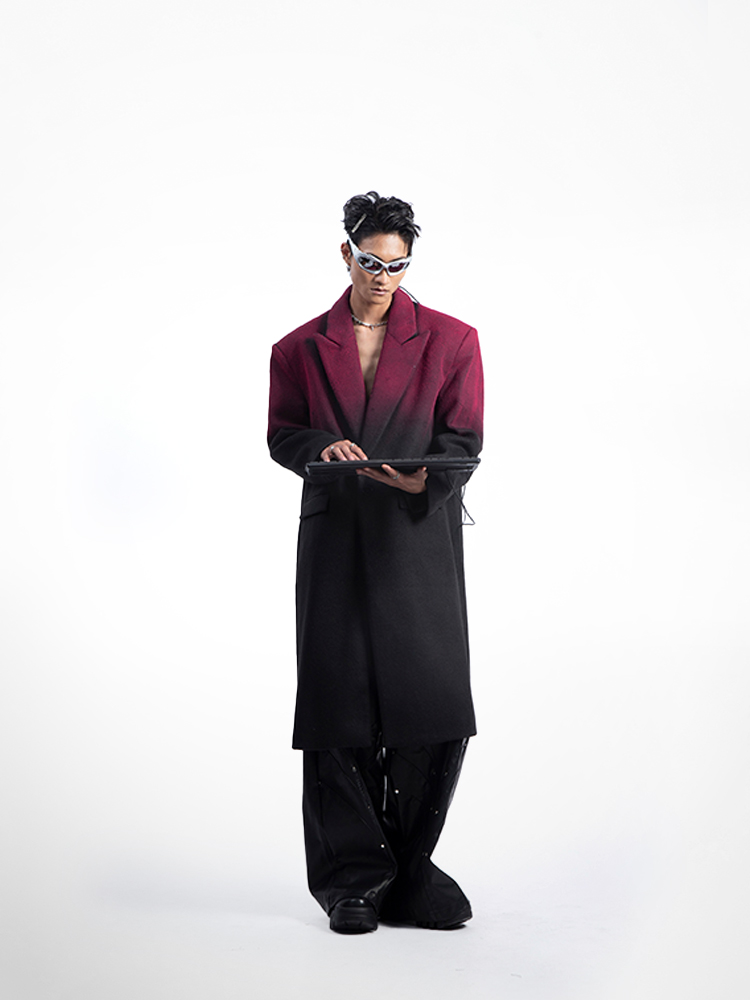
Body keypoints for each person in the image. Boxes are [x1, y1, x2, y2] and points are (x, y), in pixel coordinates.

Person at [267, 191, 483, 934]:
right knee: (338, 702)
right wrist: (318, 446)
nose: (384, 277)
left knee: (431, 698)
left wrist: (428, 480)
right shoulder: (297, 348)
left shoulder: (453, 340)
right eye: (371, 262)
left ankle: (410, 869)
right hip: (335, 536)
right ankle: (352, 880)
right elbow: (282, 433)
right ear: (346, 254)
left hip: (416, 537)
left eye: (399, 265)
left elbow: (463, 441)